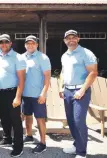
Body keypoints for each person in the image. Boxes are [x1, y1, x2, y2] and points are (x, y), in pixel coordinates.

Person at [60, 30, 98, 158]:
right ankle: (77, 144)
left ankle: (81, 152)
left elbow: (93, 73)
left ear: (78, 38)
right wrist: (61, 87)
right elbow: (63, 72)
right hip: (67, 91)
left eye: (73, 37)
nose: (71, 40)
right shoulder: (65, 55)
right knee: (71, 120)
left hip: (80, 91)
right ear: (65, 40)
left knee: (78, 121)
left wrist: (82, 90)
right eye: (68, 38)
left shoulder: (86, 53)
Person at [0, 34, 26, 157]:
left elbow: (22, 79)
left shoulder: (18, 57)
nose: (4, 44)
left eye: (6, 42)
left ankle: (18, 146)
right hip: (0, 92)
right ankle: (7, 138)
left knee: (15, 120)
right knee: (4, 118)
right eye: (1, 42)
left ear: (10, 43)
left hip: (13, 92)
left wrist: (18, 96)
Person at [21, 35, 51, 154]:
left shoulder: (42, 57)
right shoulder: (22, 57)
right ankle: (29, 136)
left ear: (37, 45)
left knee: (40, 119)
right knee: (27, 116)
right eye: (28, 43)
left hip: (38, 95)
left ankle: (43, 143)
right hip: (25, 94)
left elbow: (47, 77)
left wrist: (43, 93)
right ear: (25, 45)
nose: (30, 45)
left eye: (32, 43)